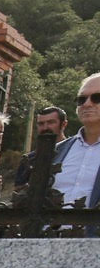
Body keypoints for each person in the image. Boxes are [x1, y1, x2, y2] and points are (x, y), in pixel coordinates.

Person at [50, 74, 100, 210]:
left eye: (97, 98)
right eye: (81, 99)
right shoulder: (56, 151)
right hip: (48, 230)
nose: (87, 104)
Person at [15, 105, 66, 192]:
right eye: (41, 124)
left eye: (51, 122)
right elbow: (18, 191)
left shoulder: (73, 153)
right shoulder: (29, 159)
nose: (45, 128)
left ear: (64, 124)